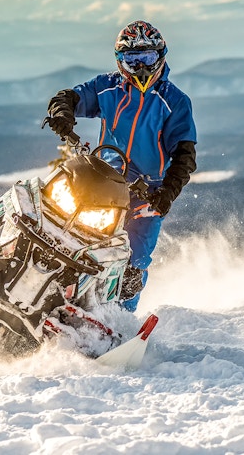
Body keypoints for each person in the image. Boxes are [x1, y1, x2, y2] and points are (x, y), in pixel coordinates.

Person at [44, 20, 197, 311]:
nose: (140, 67)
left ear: (160, 56)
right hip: (102, 179)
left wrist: (168, 192)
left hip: (147, 191)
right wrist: (62, 111)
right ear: (120, 60)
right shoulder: (108, 87)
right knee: (56, 218)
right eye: (132, 59)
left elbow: (185, 153)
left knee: (134, 258)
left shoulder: (175, 101)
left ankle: (118, 318)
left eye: (147, 58)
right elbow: (72, 96)